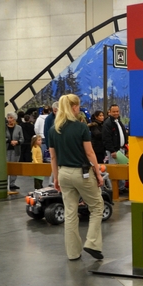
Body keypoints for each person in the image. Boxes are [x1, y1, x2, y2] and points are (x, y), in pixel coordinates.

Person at [48, 94, 104, 261]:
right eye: (78, 106)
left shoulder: (53, 130)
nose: (79, 108)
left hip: (63, 173)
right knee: (97, 206)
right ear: (73, 107)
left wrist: (56, 178)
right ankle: (92, 243)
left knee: (70, 212)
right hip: (82, 173)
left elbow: (53, 157)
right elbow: (89, 152)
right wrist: (98, 173)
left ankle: (73, 253)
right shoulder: (81, 128)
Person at [5, 112, 24, 191]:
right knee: (6, 167)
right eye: (8, 118)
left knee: (14, 167)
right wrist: (10, 141)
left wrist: (17, 142)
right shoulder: (4, 127)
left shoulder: (19, 128)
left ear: (15, 119)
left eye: (11, 118)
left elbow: (22, 139)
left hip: (16, 150)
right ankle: (4, 183)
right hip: (6, 149)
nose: (9, 120)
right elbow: (2, 137)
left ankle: (12, 184)